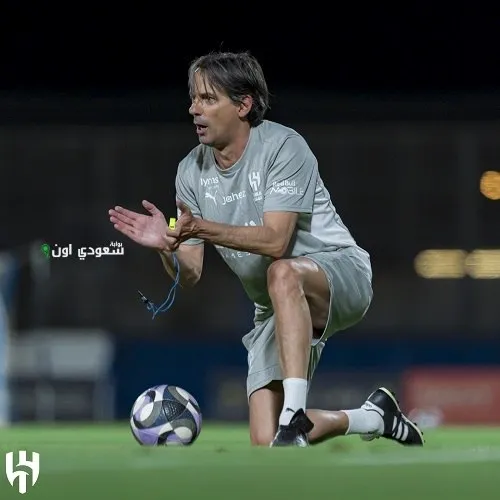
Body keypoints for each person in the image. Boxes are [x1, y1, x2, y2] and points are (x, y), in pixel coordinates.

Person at [109, 50, 424, 448]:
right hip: (274, 306)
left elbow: (276, 241)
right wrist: (166, 247)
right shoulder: (190, 171)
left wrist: (199, 227)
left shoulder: (283, 147)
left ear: (244, 105)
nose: (194, 109)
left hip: (339, 273)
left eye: (208, 98)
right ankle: (374, 417)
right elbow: (190, 274)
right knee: (266, 440)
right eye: (193, 98)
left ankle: (294, 414)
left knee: (283, 271)